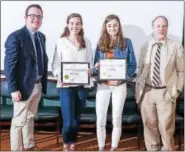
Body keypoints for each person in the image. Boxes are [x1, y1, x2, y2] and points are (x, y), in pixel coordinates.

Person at [135, 16, 184, 151]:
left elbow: (182, 71)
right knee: (149, 126)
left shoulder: (176, 46)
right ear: (153, 28)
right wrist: (138, 89)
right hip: (147, 92)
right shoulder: (145, 46)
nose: (161, 29)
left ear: (167, 28)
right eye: (158, 26)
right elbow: (140, 69)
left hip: (166, 93)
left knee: (166, 128)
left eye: (164, 26)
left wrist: (178, 90)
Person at [4, 4, 48, 151]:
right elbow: (9, 65)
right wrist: (13, 88)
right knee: (18, 122)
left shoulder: (41, 37)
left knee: (30, 118)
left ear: (42, 19)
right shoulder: (15, 37)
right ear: (26, 18)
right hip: (22, 87)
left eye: (39, 16)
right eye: (32, 16)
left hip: (38, 85)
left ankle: (29, 146)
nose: (36, 19)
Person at [93, 14, 137, 151]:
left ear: (119, 26)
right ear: (105, 27)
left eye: (115, 25)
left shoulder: (127, 42)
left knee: (116, 120)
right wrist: (97, 69)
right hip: (103, 86)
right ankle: (101, 148)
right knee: (100, 120)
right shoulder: (100, 43)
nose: (112, 28)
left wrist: (122, 77)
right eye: (109, 25)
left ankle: (113, 148)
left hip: (119, 86)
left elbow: (132, 64)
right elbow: (96, 65)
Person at [52, 13, 94, 151]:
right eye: (72, 23)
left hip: (82, 86)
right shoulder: (61, 41)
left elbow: (90, 62)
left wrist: (90, 70)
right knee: (68, 121)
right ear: (67, 24)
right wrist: (60, 75)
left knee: (76, 119)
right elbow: (56, 65)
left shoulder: (86, 42)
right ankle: (66, 142)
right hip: (66, 86)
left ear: (81, 25)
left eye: (77, 23)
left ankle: (73, 142)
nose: (74, 26)